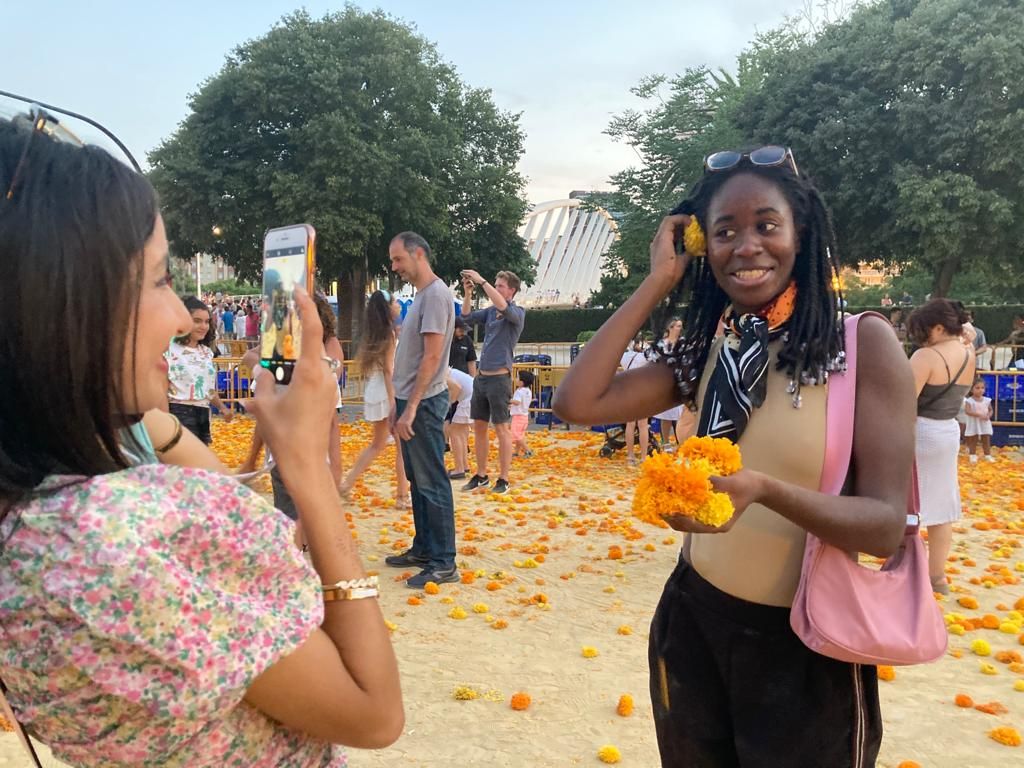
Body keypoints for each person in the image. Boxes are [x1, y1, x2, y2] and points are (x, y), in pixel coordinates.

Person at [0, 116, 402, 765]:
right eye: (157, 281)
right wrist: (307, 470)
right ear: (54, 306)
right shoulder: (109, 534)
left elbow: (224, 512)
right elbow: (374, 711)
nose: (180, 318)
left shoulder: (36, 504)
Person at [552, 145, 914, 767]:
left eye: (766, 226)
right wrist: (659, 280)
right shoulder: (711, 348)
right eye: (724, 232)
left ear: (801, 233)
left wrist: (764, 491)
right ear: (701, 245)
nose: (745, 246)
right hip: (693, 622)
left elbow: (885, 526)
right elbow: (576, 402)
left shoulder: (862, 347)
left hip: (805, 643)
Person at [387, 232, 458, 588]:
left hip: (425, 402)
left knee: (431, 481)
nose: (395, 267)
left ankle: (444, 561)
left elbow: (431, 357)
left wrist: (411, 406)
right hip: (413, 400)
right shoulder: (422, 297)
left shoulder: (435, 296)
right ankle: (425, 547)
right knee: (419, 479)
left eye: (398, 259)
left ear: (418, 254)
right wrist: (397, 405)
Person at [908, 298, 975, 595]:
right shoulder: (968, 353)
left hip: (920, 432)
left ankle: (909, 571)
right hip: (948, 432)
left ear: (938, 327)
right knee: (942, 506)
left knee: (909, 504)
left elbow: (904, 401)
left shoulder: (925, 356)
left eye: (925, 330)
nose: (921, 337)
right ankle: (938, 578)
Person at [338, 290, 409, 505]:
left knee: (377, 444)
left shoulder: (374, 332)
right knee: (401, 448)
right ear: (387, 307)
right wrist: (394, 402)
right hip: (387, 392)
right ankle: (402, 496)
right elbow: (389, 370)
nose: (398, 305)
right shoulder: (388, 333)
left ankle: (345, 485)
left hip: (375, 389)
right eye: (395, 302)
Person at [459, 269, 527, 495]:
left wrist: (482, 281)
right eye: (495, 285)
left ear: (512, 291)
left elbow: (504, 307)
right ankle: (481, 475)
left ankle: (504, 478)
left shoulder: (517, 312)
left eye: (500, 286)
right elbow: (466, 317)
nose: (496, 289)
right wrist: (468, 293)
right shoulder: (490, 312)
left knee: (501, 429)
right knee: (478, 427)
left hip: (499, 378)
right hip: (482, 378)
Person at [166, 296, 234, 444]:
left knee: (199, 463)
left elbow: (207, 388)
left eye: (206, 321)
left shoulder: (206, 352)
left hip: (203, 413)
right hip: (177, 412)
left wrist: (223, 408)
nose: (203, 326)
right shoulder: (168, 349)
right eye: (197, 321)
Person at [651, 317, 696, 450]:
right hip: (667, 381)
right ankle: (665, 441)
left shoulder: (684, 343)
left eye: (680, 326)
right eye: (677, 326)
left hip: (683, 382)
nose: (680, 329)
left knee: (683, 413)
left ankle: (682, 441)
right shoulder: (662, 344)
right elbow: (652, 358)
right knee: (667, 414)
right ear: (670, 328)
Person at [620, 335, 650, 465]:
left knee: (630, 425)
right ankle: (643, 457)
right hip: (643, 390)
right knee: (643, 426)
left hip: (628, 391)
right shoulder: (644, 357)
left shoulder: (624, 357)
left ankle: (630, 456)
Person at [445, 366, 475, 479]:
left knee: (454, 433)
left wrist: (450, 402)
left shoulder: (440, 373)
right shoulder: (448, 371)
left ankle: (459, 469)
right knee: (461, 434)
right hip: (472, 397)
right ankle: (464, 466)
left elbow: (457, 387)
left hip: (468, 399)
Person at [963, 377, 995, 463]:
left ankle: (987, 455)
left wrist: (988, 415)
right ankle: (972, 455)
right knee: (973, 438)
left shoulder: (987, 400)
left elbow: (991, 410)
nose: (980, 390)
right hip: (974, 423)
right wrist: (977, 414)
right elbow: (967, 411)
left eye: (982, 388)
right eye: (977, 388)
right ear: (971, 389)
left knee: (986, 439)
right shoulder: (969, 401)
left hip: (984, 422)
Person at [510, 370, 534, 458]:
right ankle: (516, 451)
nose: (515, 379)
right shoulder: (528, 391)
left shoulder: (519, 391)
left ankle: (528, 450)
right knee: (519, 435)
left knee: (516, 435)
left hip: (518, 417)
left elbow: (517, 402)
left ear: (522, 382)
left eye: (517, 377)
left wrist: (507, 401)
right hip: (524, 416)